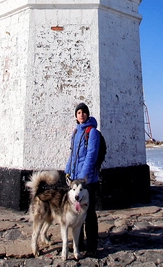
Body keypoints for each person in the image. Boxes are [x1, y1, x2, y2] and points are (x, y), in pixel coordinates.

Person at [65, 102, 100, 257]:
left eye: (84, 112)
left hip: (87, 181)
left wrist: (83, 177)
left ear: (88, 114)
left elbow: (91, 154)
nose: (81, 115)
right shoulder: (76, 132)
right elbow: (73, 154)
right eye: (78, 112)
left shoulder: (92, 132)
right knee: (76, 213)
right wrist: (67, 171)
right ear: (76, 115)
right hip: (75, 180)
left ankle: (92, 246)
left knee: (89, 214)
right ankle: (78, 244)